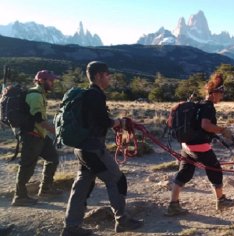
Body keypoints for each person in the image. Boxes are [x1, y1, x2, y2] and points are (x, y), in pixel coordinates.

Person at [61, 61, 143, 236]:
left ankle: (71, 227)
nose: (109, 78)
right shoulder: (96, 95)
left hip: (82, 148)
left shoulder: (87, 95)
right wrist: (119, 122)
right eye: (107, 75)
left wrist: (114, 122)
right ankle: (122, 220)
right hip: (92, 149)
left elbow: (94, 119)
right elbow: (102, 122)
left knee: (82, 186)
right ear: (98, 76)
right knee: (117, 179)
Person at [166, 73, 234, 216]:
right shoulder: (208, 107)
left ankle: (173, 204)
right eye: (221, 94)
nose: (222, 97)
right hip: (200, 146)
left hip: (186, 145)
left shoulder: (198, 105)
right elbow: (205, 125)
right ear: (214, 93)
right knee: (215, 170)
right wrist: (222, 130)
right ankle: (221, 200)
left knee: (184, 172)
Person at [12, 70, 62, 206]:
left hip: (40, 135)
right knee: (27, 166)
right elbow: (39, 120)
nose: (53, 83)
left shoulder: (40, 94)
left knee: (52, 158)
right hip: (31, 136)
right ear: (41, 80)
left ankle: (46, 189)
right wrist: (58, 132)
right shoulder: (35, 95)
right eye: (51, 80)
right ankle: (20, 197)